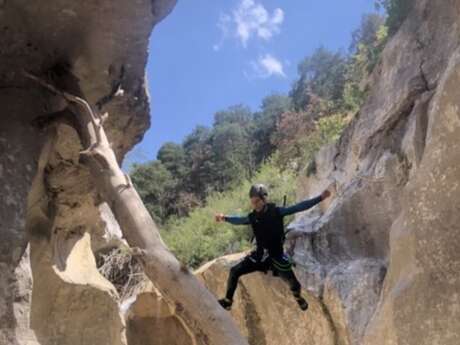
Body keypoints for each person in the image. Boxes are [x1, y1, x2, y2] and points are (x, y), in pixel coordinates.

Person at [215, 184, 331, 311]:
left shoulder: (276, 211)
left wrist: (320, 198)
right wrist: (224, 218)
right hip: (259, 256)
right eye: (253, 202)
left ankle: (297, 297)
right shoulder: (253, 217)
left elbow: (298, 207)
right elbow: (239, 220)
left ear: (264, 199)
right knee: (234, 271)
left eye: (257, 201)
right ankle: (228, 301)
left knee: (295, 284)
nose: (255, 205)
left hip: (276, 256)